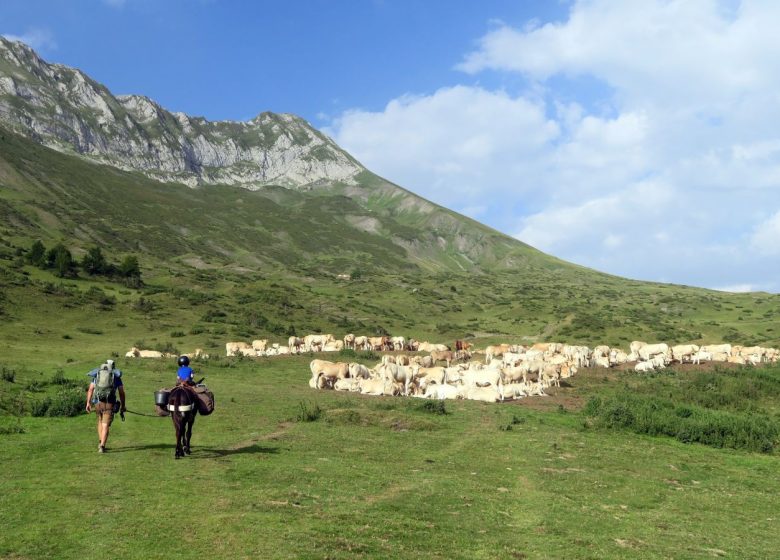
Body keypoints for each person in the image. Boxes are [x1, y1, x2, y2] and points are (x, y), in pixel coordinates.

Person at [85, 360, 126, 453]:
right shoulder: (116, 376)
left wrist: (88, 403)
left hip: (97, 403)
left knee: (100, 421)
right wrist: (123, 406)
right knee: (105, 424)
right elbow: (121, 393)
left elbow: (91, 389)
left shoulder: (97, 375)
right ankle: (102, 446)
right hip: (109, 403)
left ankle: (100, 442)